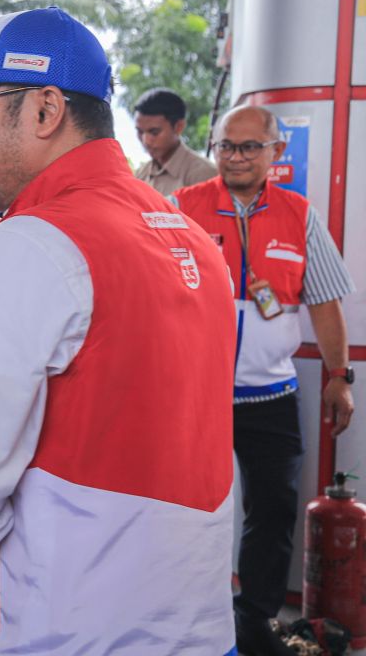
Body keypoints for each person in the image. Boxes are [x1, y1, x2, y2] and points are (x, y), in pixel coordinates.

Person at [0, 6, 237, 654]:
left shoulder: (33, 242)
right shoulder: (191, 237)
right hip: (195, 623)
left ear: (46, 110)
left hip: (69, 624)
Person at [173, 105, 356, 656]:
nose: (235, 157)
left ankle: (253, 621)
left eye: (250, 147)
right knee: (184, 508)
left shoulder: (301, 216)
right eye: (227, 146)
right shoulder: (183, 207)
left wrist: (339, 376)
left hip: (271, 394)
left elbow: (324, 303)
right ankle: (182, 616)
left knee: (272, 512)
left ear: (277, 154)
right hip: (194, 397)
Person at [132, 87, 217, 195]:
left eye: (154, 132)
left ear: (179, 127)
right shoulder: (140, 175)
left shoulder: (203, 175)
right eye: (140, 131)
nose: (146, 141)